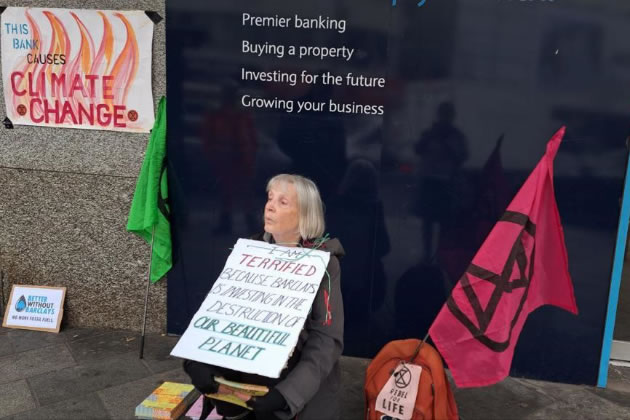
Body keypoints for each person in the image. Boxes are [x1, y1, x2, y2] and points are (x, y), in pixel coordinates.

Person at [184, 174, 345, 420]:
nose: (269, 206)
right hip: (239, 382)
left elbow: (326, 339)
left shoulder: (323, 264)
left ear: (305, 215)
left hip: (290, 384)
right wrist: (197, 361)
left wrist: (287, 394)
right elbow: (217, 310)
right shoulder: (249, 251)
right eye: (270, 198)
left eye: (283, 202)